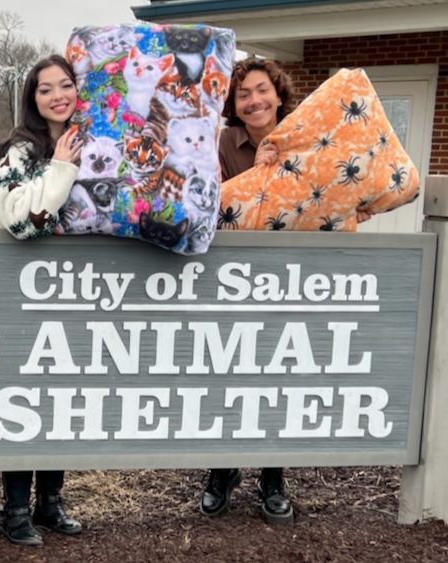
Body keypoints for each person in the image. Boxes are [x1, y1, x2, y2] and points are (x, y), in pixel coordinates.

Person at [0, 55, 84, 547]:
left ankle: (51, 502)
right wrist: (63, 167)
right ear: (32, 98)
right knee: (25, 401)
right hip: (23, 291)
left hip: (76, 292)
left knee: (61, 401)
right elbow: (23, 223)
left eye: (65, 85)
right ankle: (15, 510)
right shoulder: (19, 151)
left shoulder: (97, 140)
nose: (57, 96)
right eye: (45, 89)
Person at [207, 56, 296, 526]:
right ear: (233, 105)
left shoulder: (303, 136)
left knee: (276, 378)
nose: (254, 100)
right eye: (243, 94)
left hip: (290, 278)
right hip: (230, 277)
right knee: (227, 373)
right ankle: (222, 470)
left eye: (262, 90)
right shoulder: (222, 142)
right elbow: (210, 204)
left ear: (278, 94)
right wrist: (256, 175)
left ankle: (273, 478)